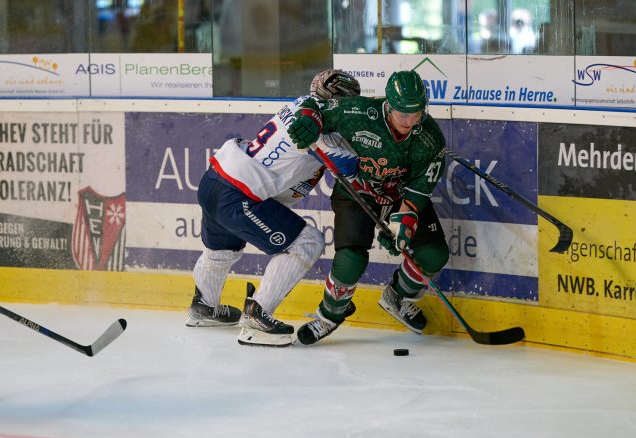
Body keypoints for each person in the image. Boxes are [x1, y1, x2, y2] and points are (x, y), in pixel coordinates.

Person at [186, 69, 361, 347]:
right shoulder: (320, 125)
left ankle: (204, 306)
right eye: (349, 103)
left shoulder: (300, 104)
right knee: (308, 243)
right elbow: (347, 165)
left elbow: (311, 114)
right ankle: (257, 316)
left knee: (222, 252)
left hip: (215, 180)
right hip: (239, 193)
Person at [288, 70, 449, 345]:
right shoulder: (359, 112)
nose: (410, 122)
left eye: (417, 113)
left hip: (398, 193)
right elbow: (315, 105)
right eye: (403, 115)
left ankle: (398, 296)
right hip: (356, 190)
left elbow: (421, 186)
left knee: (434, 255)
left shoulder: (430, 137)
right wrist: (308, 120)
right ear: (388, 106)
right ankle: (329, 316)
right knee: (351, 259)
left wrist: (404, 220)